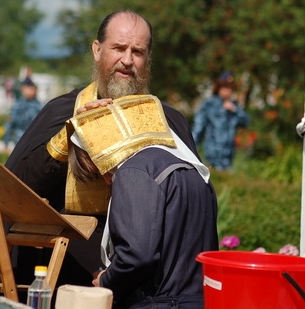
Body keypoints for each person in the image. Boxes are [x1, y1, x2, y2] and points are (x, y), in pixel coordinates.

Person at [0, 10, 205, 290]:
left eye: (138, 51)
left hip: (140, 267)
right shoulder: (61, 111)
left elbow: (191, 199)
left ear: (148, 60)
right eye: (118, 48)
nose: (127, 60)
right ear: (97, 50)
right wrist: (70, 134)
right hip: (64, 262)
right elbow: (19, 186)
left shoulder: (169, 121)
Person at [67, 95, 218, 308]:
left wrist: (106, 280)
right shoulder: (192, 169)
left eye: (98, 168)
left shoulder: (135, 171)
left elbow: (137, 256)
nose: (107, 179)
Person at [191, 71, 249, 171]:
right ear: (218, 87)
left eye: (231, 88)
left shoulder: (233, 106)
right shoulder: (209, 104)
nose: (228, 91)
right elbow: (198, 128)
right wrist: (191, 150)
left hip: (228, 156)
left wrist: (234, 110)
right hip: (213, 156)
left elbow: (245, 121)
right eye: (225, 87)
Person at [2, 77, 42, 153]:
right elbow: (10, 124)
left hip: (34, 143)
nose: (32, 91)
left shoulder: (40, 106)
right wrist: (6, 143)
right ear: (23, 89)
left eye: (33, 88)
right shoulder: (18, 105)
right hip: (19, 141)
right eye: (29, 88)